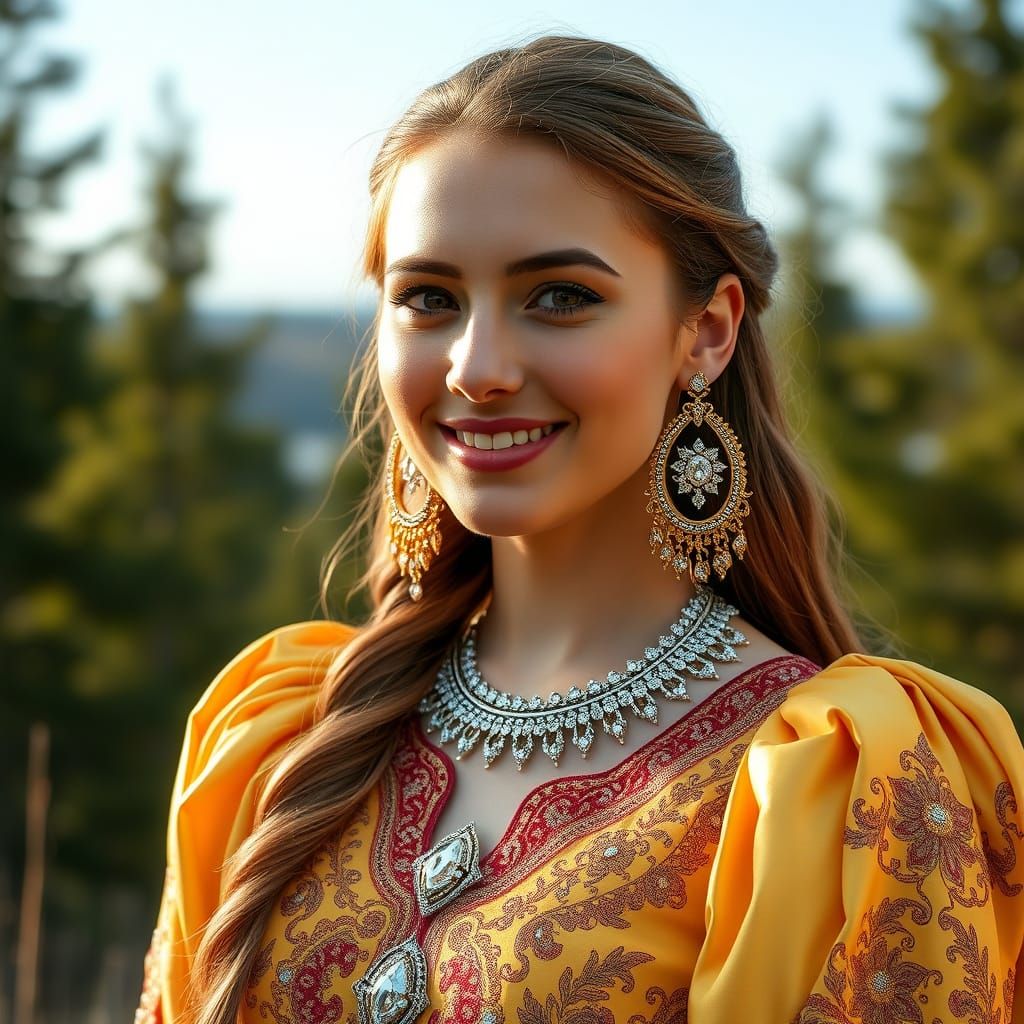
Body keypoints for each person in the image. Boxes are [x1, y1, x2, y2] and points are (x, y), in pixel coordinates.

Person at [134, 34, 1024, 1024]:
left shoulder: (836, 786)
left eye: (559, 297)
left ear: (707, 331)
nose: (476, 367)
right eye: (428, 299)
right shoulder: (280, 738)